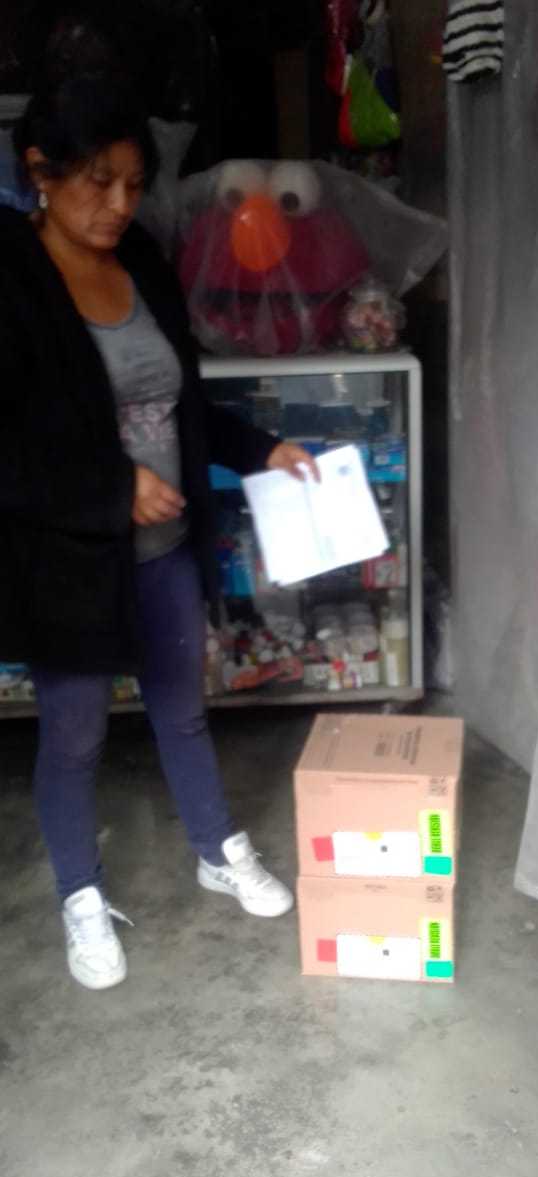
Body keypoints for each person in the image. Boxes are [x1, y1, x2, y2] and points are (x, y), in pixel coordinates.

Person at [0, 71, 319, 991]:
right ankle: (80, 891)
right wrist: (111, 489)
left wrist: (259, 449)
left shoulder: (140, 259)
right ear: (41, 171)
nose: (118, 204)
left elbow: (178, 402)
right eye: (97, 181)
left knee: (182, 709)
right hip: (70, 562)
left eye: (134, 184)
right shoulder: (7, 280)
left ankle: (216, 848)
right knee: (74, 737)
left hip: (163, 551)